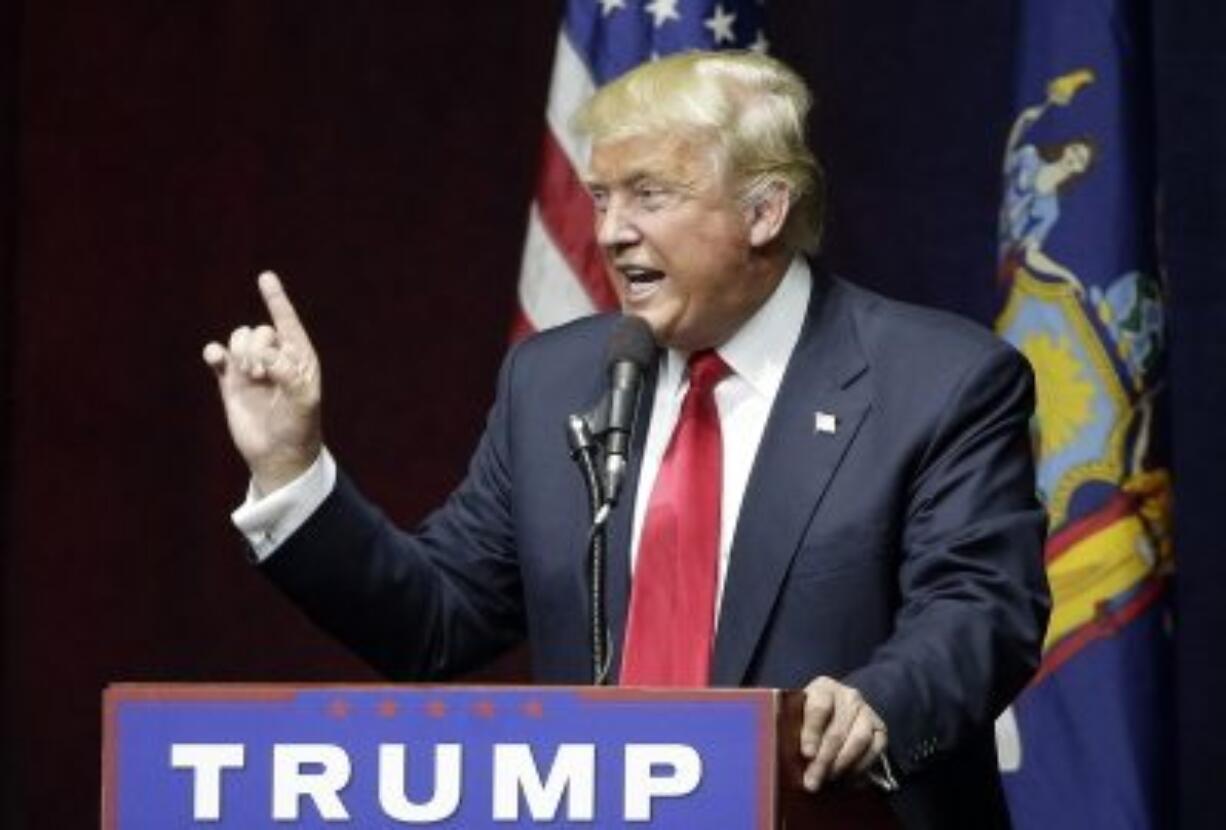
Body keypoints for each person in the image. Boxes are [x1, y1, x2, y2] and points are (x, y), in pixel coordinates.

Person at [203, 51, 1049, 828]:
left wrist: (878, 705)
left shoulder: (938, 381)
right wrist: (291, 470)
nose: (609, 231)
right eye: (602, 197)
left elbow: (981, 610)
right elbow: (437, 618)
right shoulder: (554, 383)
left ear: (764, 211)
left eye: (649, 194)